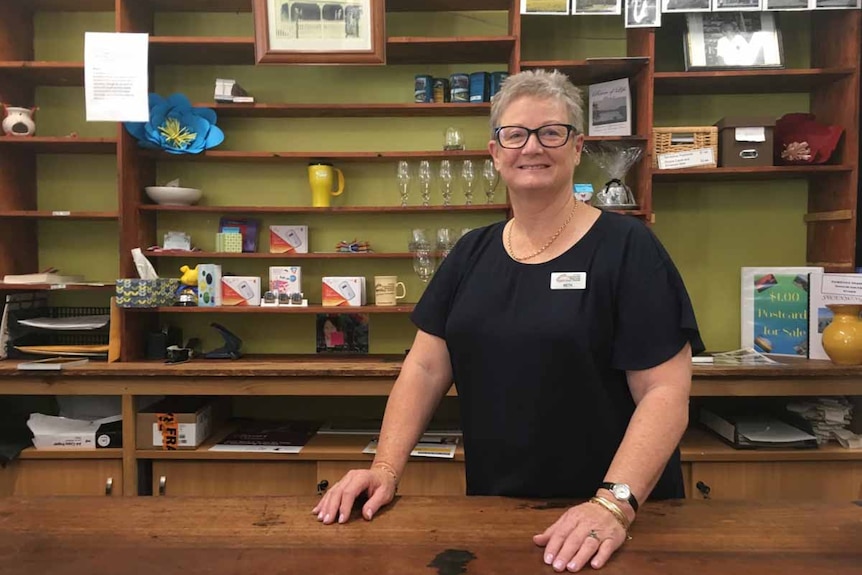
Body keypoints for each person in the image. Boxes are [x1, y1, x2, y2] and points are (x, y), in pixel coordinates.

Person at [313, 69, 704, 572]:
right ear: (494, 152)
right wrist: (384, 469)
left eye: (551, 132)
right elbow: (425, 369)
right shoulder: (471, 252)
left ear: (577, 146)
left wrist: (613, 504)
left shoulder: (629, 248)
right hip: (497, 510)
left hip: (612, 524)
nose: (532, 147)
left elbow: (665, 392)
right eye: (514, 134)